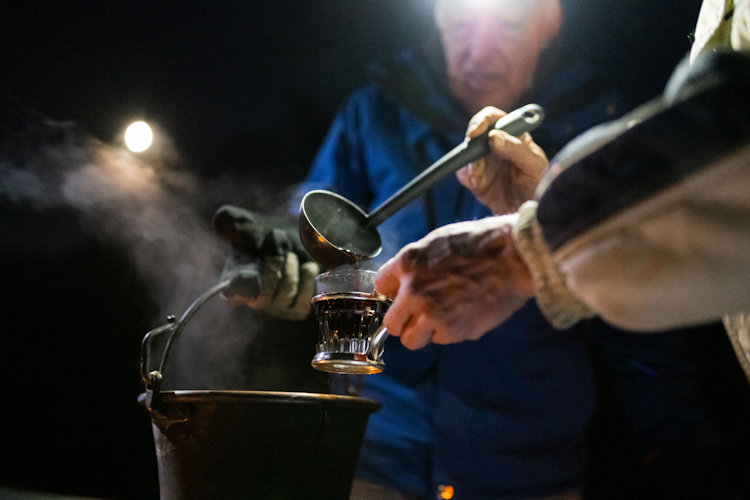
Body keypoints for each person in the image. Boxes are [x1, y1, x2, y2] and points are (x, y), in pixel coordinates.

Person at [216, 0, 731, 498]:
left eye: (507, 26)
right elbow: (324, 227)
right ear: (437, 18)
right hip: (374, 456)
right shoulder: (375, 112)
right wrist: (293, 249)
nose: (478, 54)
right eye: (461, 25)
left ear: (548, 23)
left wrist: (674, 436)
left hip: (528, 471)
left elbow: (638, 315)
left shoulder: (600, 131)